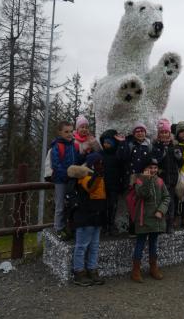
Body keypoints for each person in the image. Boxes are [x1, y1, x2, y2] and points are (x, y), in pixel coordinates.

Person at [68, 152, 106, 286]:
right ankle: (79, 272)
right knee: (82, 245)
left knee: (94, 245)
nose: (100, 164)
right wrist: (97, 175)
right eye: (97, 162)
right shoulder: (83, 175)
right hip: (85, 214)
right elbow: (91, 187)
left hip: (97, 214)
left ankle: (92, 269)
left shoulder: (98, 175)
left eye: (101, 162)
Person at [130, 158, 170, 283]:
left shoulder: (160, 181)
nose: (153, 170)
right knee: (140, 244)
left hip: (156, 219)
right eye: (150, 168)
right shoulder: (139, 180)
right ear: (144, 169)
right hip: (143, 218)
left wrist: (161, 210)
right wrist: (146, 180)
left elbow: (166, 197)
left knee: (154, 243)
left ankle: (153, 267)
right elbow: (143, 194)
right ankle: (136, 270)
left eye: (155, 168)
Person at [116, 122, 153, 234]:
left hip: (145, 178)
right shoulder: (129, 144)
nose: (140, 133)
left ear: (145, 133)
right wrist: (122, 143)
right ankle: (133, 228)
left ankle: (144, 226)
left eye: (142, 131)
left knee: (145, 202)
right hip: (131, 178)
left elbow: (152, 160)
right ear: (134, 133)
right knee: (132, 203)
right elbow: (121, 158)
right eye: (137, 131)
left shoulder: (149, 145)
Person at [152, 118, 184, 233]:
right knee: (159, 202)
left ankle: (169, 224)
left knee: (170, 202)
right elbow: (154, 162)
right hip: (160, 179)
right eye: (162, 132)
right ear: (159, 134)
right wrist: (161, 155)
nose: (164, 134)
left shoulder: (175, 146)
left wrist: (179, 157)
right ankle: (160, 224)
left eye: (166, 132)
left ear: (169, 133)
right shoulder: (155, 146)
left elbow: (181, 163)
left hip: (172, 179)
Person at [51, 120, 81, 240]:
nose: (69, 134)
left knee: (72, 204)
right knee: (60, 205)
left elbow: (77, 160)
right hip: (61, 180)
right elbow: (56, 165)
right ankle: (58, 228)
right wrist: (67, 174)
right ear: (60, 132)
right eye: (66, 132)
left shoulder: (74, 145)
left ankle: (70, 227)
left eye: (71, 131)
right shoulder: (57, 146)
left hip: (72, 180)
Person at [99, 129, 125, 236]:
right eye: (105, 142)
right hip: (102, 185)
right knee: (103, 207)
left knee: (113, 206)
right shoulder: (101, 154)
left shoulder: (118, 155)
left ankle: (111, 224)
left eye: (109, 142)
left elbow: (123, 169)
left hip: (114, 185)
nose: (106, 145)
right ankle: (104, 226)